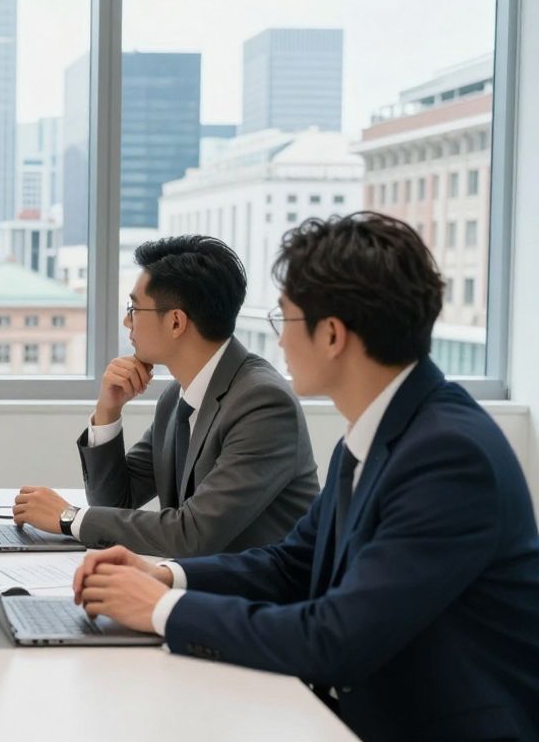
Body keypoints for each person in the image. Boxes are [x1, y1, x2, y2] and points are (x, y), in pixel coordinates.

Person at [75, 213, 539, 741]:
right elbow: (292, 565)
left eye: (286, 320)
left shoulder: (449, 457)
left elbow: (336, 639)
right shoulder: (376, 434)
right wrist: (167, 577)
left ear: (333, 335)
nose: (279, 341)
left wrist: (163, 609)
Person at [12, 235, 318, 557]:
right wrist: (108, 411)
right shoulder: (177, 397)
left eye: (134, 308)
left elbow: (192, 534)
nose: (127, 321)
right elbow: (116, 503)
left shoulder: (262, 403)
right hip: (199, 584)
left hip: (257, 599)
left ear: (175, 322)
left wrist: (68, 518)